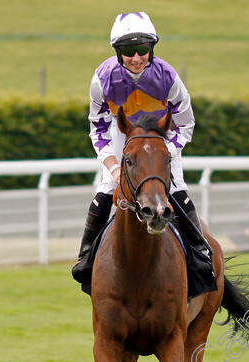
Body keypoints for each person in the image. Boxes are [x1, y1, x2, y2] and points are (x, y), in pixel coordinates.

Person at [74, 11, 209, 272]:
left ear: (152, 48)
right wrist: (114, 168)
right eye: (128, 49)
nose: (136, 57)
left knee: (176, 185)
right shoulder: (101, 79)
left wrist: (161, 155)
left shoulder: (168, 77)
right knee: (107, 185)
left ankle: (202, 254)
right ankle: (85, 257)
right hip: (121, 129)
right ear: (117, 52)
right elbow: (99, 131)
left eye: (143, 48)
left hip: (160, 134)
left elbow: (186, 123)